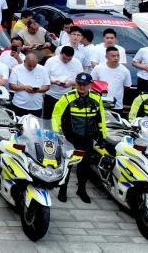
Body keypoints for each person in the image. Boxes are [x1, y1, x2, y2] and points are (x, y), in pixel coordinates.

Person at [52, 72, 105, 204]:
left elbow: (101, 119)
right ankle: (62, 190)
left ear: (90, 85)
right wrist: (56, 134)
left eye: (85, 85)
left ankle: (81, 190)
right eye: (79, 84)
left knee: (84, 166)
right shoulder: (67, 98)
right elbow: (55, 116)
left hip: (88, 138)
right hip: (71, 138)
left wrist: (102, 136)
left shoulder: (97, 98)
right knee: (68, 166)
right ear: (75, 84)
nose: (81, 87)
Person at [43, 46, 83, 119]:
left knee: (65, 119)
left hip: (68, 95)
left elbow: (81, 81)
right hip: (51, 94)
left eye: (69, 59)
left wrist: (71, 83)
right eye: (64, 58)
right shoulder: (51, 61)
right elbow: (44, 78)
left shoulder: (77, 63)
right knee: (49, 118)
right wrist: (54, 82)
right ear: (60, 54)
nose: (67, 61)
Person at [90, 46, 133, 113]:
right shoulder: (98, 68)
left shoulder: (125, 71)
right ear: (106, 57)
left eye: (118, 56)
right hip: (100, 105)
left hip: (117, 106)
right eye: (113, 56)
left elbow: (127, 86)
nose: (116, 58)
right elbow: (91, 84)